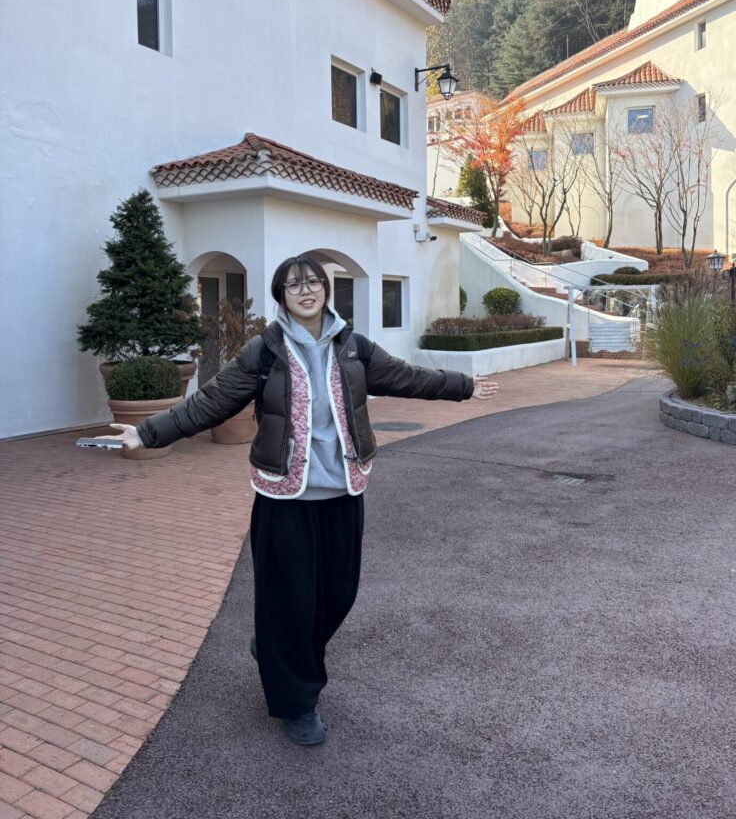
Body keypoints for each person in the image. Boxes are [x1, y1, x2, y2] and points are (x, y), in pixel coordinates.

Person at [109, 253, 499, 746]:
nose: (306, 290)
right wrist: (148, 433)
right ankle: (297, 701)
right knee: (291, 603)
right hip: (286, 497)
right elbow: (211, 401)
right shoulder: (264, 352)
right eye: (294, 285)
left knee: (338, 596)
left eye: (313, 282)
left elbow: (407, 377)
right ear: (282, 296)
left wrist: (462, 386)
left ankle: (275, 648)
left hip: (342, 492)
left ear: (325, 289)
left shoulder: (353, 348)